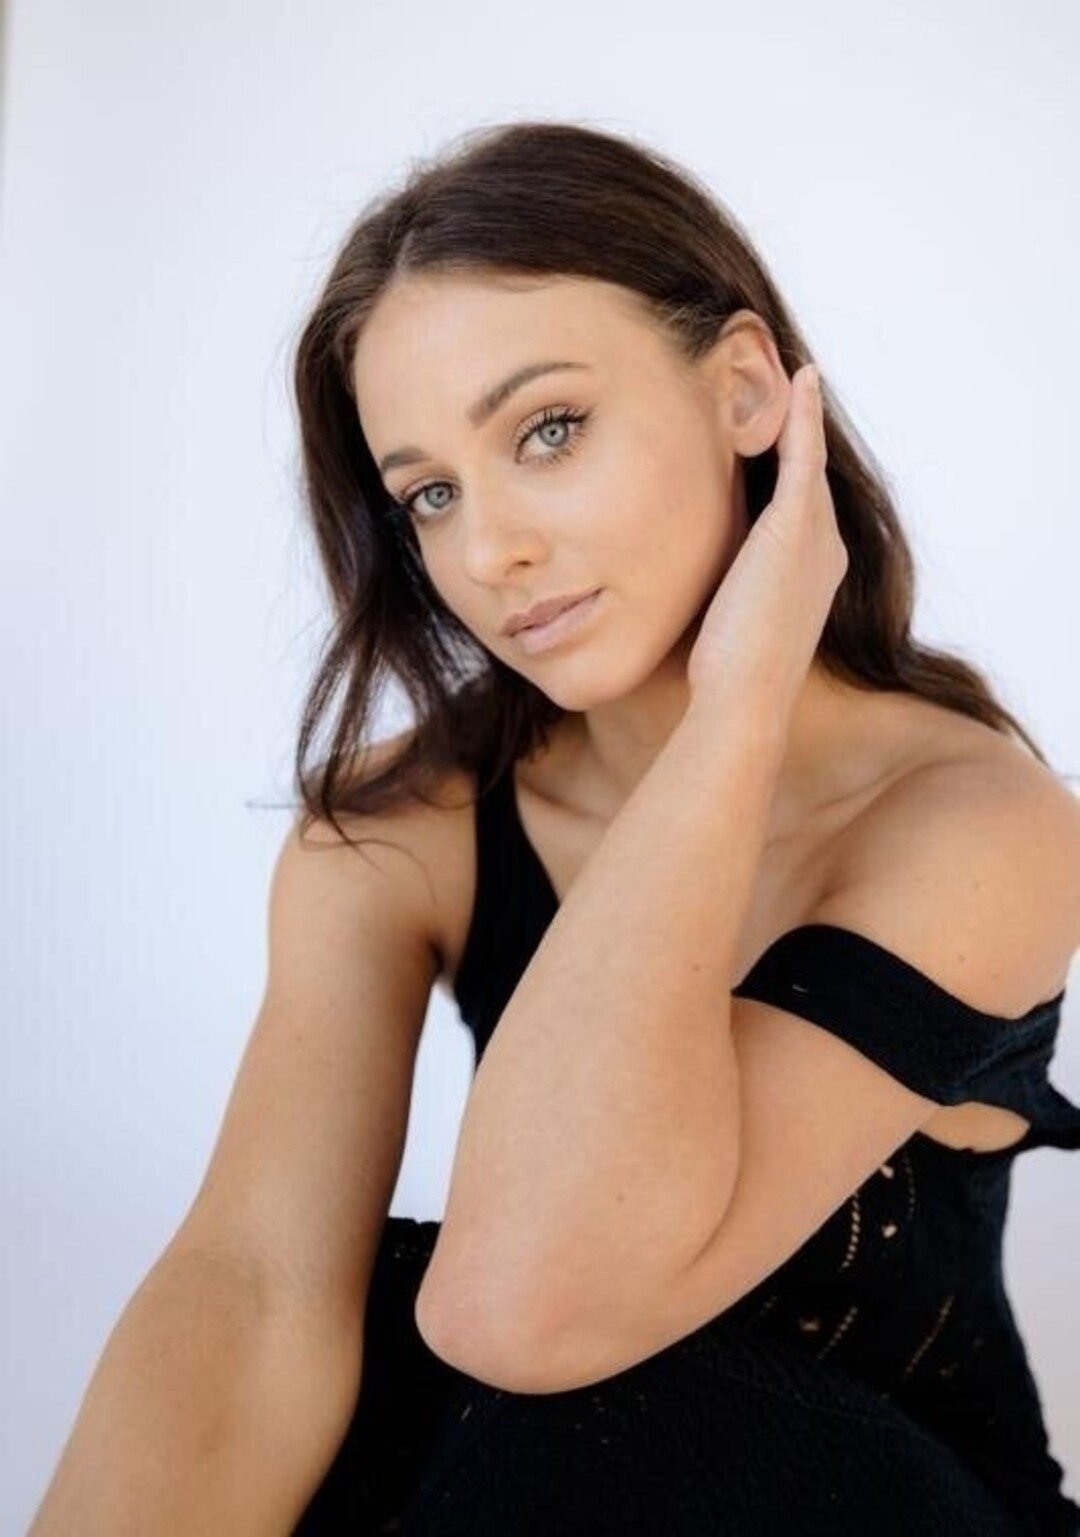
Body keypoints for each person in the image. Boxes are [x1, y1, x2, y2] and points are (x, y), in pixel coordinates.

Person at [30, 120, 1080, 1536]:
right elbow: (253, 1287)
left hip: (881, 1503)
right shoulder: (403, 826)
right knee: (343, 1329)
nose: (488, 553)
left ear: (745, 390)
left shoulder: (984, 827)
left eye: (549, 430)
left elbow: (528, 1303)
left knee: (573, 1381)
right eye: (430, 494)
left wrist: (735, 710)